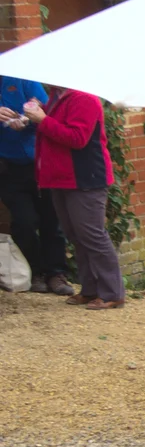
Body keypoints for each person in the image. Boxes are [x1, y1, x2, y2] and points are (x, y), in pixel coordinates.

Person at [21, 87, 125, 308]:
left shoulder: (84, 98)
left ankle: (112, 293)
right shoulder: (58, 97)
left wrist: (43, 119)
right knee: (76, 236)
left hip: (85, 178)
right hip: (62, 178)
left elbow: (78, 138)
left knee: (93, 236)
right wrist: (35, 116)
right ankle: (90, 290)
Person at [0, 75, 71, 294]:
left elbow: (48, 111)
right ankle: (35, 271)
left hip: (40, 162)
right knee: (24, 221)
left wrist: (26, 119)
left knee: (52, 219)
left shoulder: (22, 79)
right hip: (7, 166)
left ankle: (56, 273)